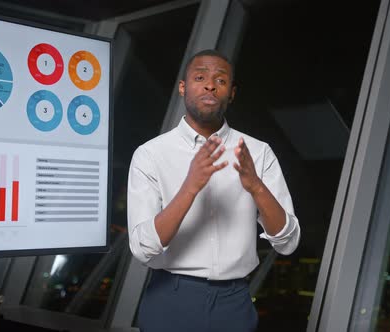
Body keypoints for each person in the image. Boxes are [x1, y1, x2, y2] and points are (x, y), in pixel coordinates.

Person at [127, 49, 300, 332]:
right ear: (183, 88)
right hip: (170, 298)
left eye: (220, 81)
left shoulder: (258, 152)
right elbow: (142, 248)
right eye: (200, 77)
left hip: (235, 301)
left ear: (231, 93)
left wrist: (256, 187)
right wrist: (190, 187)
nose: (210, 85)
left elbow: (288, 242)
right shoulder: (150, 154)